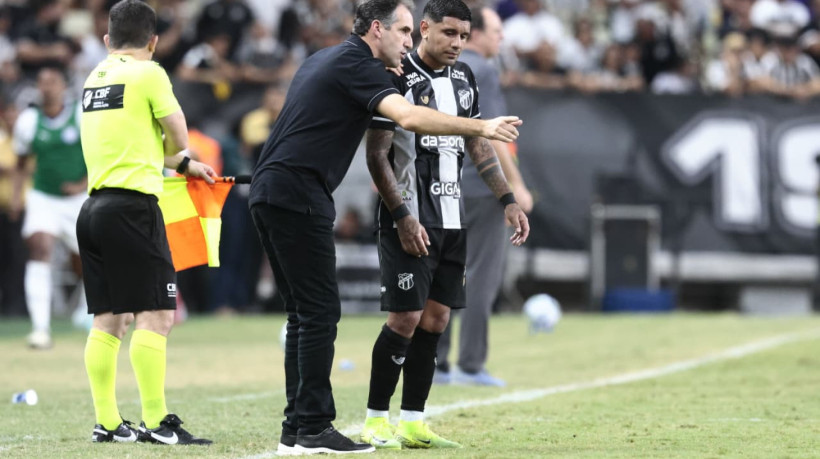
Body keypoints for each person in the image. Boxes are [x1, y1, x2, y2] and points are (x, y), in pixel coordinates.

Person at [248, 0, 523, 453]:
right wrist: (483, 127)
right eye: (404, 31)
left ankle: (297, 430)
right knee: (319, 314)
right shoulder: (363, 68)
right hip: (298, 193)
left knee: (304, 316)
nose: (408, 41)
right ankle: (315, 427)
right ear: (377, 29)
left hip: (277, 187)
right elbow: (409, 120)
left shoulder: (327, 58)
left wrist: (506, 196)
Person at [359, 0, 529, 450]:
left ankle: (413, 419)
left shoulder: (465, 79)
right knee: (406, 317)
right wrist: (401, 215)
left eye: (464, 36)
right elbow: (377, 155)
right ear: (426, 28)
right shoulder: (396, 77)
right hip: (409, 218)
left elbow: (477, 145)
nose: (457, 44)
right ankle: (376, 419)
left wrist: (507, 200)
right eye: (449, 33)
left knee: (435, 320)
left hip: (452, 217)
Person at [77, 0, 214, 445]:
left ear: (107, 40)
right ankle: (157, 425)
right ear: (153, 41)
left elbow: (134, 144)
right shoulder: (150, 73)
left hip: (94, 210)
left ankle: (108, 422)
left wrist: (184, 167)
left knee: (108, 321)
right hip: (133, 210)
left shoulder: (93, 79)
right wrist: (185, 156)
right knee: (156, 314)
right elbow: (179, 133)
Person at [435, 6, 533, 387]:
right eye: (495, 30)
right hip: (480, 186)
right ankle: (472, 364)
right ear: (474, 34)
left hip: (442, 185)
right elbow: (494, 135)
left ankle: (437, 362)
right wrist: (515, 190)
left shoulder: (440, 65)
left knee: (444, 273)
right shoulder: (483, 70)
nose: (501, 38)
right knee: (481, 276)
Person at [11, 66, 87, 349]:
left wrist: (83, 184)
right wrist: (18, 197)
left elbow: (100, 155)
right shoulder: (29, 121)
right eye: (41, 82)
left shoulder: (80, 116)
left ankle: (88, 313)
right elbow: (21, 164)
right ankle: (40, 328)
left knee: (88, 261)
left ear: (63, 87)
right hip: (44, 197)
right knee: (39, 248)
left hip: (78, 200)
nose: (46, 87)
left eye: (52, 81)